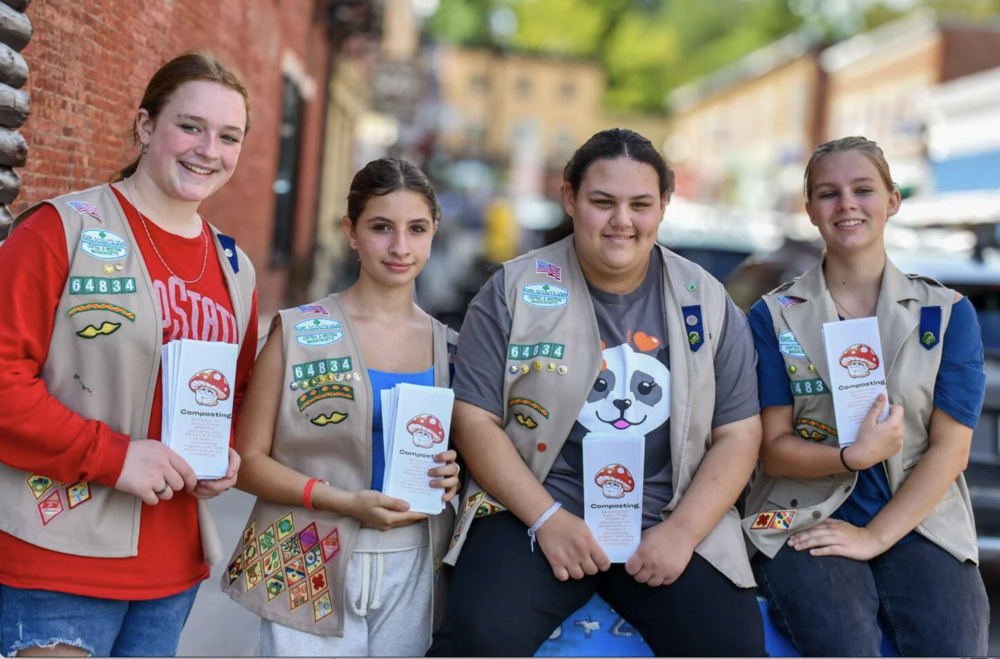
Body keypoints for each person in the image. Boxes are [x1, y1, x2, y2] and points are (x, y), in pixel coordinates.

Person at [427, 128, 765, 657]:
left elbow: (739, 434)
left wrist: (682, 532)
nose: (621, 221)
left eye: (640, 204)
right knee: (476, 638)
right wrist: (547, 519)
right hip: (529, 514)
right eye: (602, 202)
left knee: (731, 644)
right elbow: (475, 420)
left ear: (665, 205)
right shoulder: (513, 290)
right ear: (570, 198)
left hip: (666, 516)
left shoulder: (709, 301)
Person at [0, 52, 257, 657]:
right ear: (145, 127)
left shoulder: (234, 265)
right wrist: (114, 458)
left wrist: (227, 456)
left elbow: (233, 392)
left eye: (229, 136)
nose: (208, 150)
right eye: (190, 126)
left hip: (172, 567)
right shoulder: (61, 231)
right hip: (58, 552)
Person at [744, 136, 989, 656]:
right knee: (845, 645)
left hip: (920, 518)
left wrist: (875, 537)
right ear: (810, 210)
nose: (847, 204)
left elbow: (951, 449)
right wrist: (849, 456)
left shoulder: (945, 313)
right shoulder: (774, 315)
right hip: (804, 514)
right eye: (828, 193)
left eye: (863, 189)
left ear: (893, 200)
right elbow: (773, 446)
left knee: (953, 646)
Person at [221, 157, 461, 657]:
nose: (400, 247)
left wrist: (453, 474)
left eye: (416, 229)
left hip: (415, 559)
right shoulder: (299, 331)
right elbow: (247, 462)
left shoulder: (453, 349)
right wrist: (343, 500)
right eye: (381, 228)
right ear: (351, 232)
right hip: (305, 549)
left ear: (434, 231)